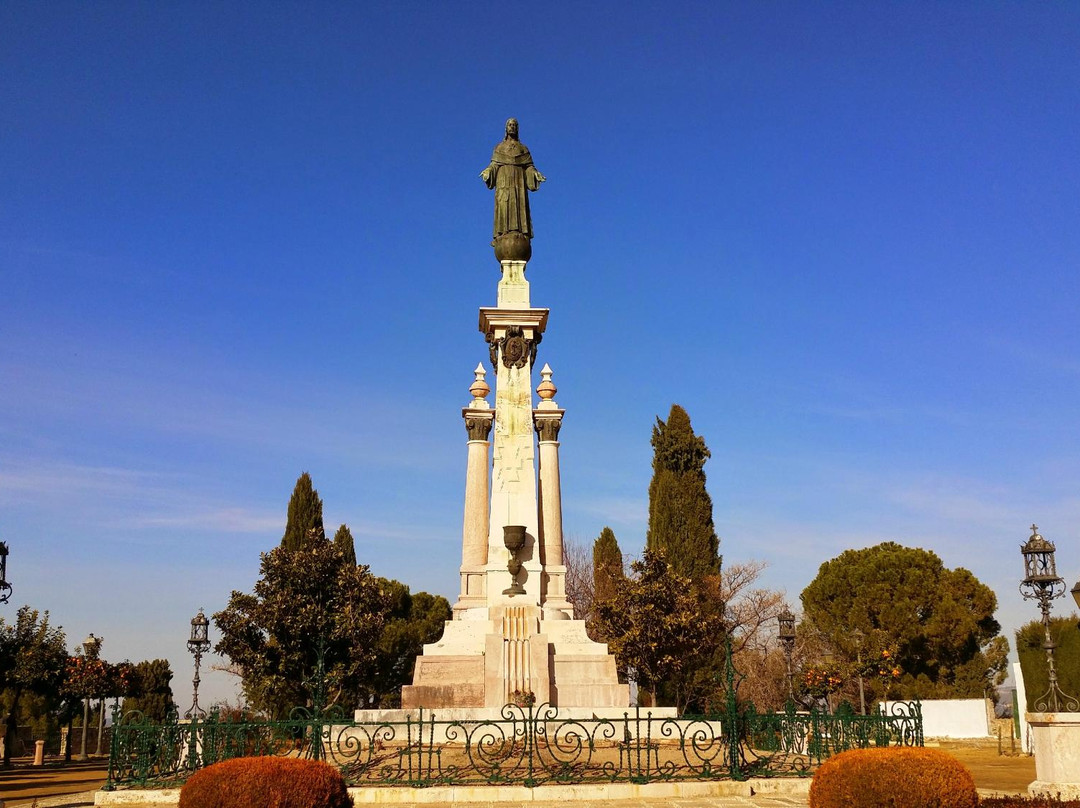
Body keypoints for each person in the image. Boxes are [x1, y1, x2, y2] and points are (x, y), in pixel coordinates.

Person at [480, 118, 546, 244]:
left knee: (518, 205)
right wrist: (488, 171)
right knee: (504, 205)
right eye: (510, 125)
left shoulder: (523, 149)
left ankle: (521, 233)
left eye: (514, 125)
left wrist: (535, 173)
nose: (512, 127)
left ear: (517, 128)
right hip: (503, 182)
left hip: (518, 183)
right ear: (506, 128)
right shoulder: (499, 147)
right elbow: (494, 165)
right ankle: (501, 234)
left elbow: (529, 167)